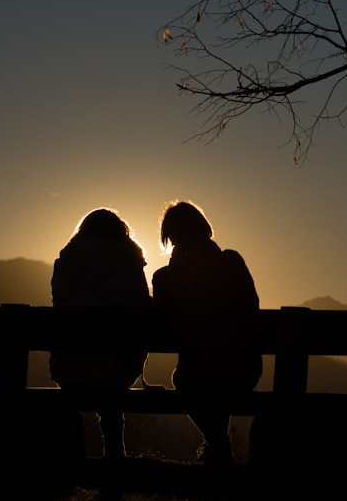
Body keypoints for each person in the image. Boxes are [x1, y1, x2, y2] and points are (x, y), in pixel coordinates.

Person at [151, 200, 262, 466]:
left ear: (174, 238)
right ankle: (218, 447)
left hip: (198, 376)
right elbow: (251, 309)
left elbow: (163, 326)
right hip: (244, 370)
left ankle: (218, 445)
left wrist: (172, 274)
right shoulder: (232, 262)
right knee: (211, 376)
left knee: (188, 379)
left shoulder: (166, 278)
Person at [49, 207, 152, 460]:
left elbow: (59, 302)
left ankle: (70, 456)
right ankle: (115, 451)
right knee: (110, 375)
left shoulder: (66, 260)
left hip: (69, 368)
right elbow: (142, 309)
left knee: (83, 371)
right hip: (119, 369)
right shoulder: (130, 259)